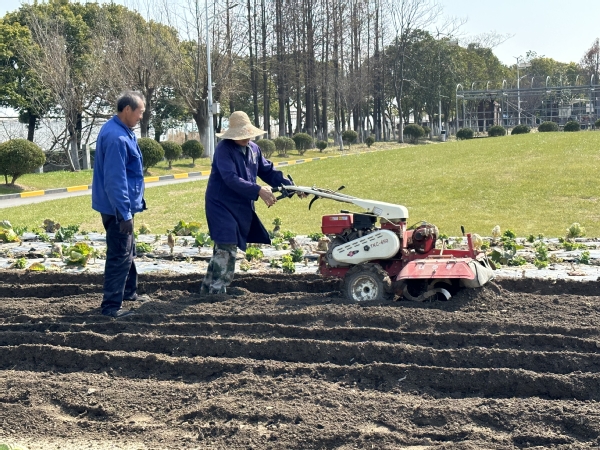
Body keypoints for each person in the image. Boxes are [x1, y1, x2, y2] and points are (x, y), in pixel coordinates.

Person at [201, 111, 297, 295]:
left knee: (224, 247)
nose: (246, 138)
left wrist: (291, 186)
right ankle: (217, 291)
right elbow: (230, 178)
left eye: (247, 134)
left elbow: (268, 171)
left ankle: (207, 289)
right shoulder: (223, 150)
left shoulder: (254, 149)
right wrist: (258, 190)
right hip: (220, 204)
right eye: (241, 135)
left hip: (239, 204)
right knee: (227, 242)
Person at [92, 91, 147, 318]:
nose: (141, 117)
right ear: (127, 109)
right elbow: (115, 180)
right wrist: (124, 214)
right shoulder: (117, 137)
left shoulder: (121, 131)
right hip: (117, 209)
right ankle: (111, 307)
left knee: (128, 250)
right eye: (140, 112)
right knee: (120, 254)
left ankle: (128, 292)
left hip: (119, 207)